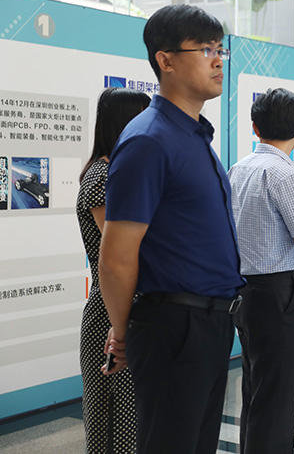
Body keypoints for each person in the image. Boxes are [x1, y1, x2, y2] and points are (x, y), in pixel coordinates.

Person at [98, 4, 245, 454]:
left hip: (210, 323)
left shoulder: (194, 136)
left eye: (220, 49)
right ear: (166, 60)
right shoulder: (149, 139)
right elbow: (116, 255)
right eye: (205, 50)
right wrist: (122, 332)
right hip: (173, 325)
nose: (218, 60)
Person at [228, 88, 294, 453]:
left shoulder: (238, 169)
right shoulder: (285, 174)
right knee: (277, 390)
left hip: (241, 288)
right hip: (278, 291)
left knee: (254, 383)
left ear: (255, 127)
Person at [77, 87, 150, 453]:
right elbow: (122, 255)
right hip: (111, 313)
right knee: (115, 425)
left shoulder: (116, 173)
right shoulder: (104, 178)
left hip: (125, 310)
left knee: (132, 421)